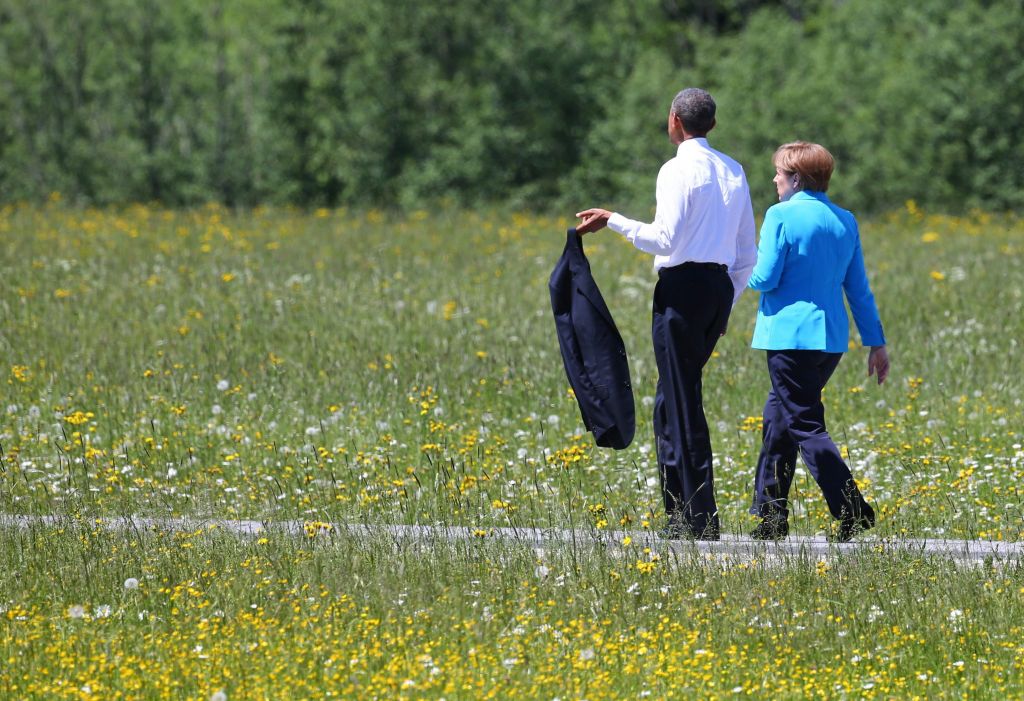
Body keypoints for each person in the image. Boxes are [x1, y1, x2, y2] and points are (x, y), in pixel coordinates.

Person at [575, 88, 756, 540]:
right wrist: (725, 302)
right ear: (711, 124)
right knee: (670, 402)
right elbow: (746, 255)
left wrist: (613, 220)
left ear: (675, 119)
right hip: (716, 287)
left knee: (680, 401)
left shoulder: (677, 169)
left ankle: (698, 518)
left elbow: (664, 239)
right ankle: (681, 510)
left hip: (682, 290)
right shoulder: (734, 170)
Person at [745, 141, 890, 542]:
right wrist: (875, 342)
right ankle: (770, 515)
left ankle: (853, 509)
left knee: (806, 424)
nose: (774, 179)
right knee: (779, 419)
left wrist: (736, 265)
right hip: (829, 340)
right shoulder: (845, 220)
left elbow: (765, 277)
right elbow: (858, 289)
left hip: (790, 337)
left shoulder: (781, 215)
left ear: (795, 178)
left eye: (778, 172)